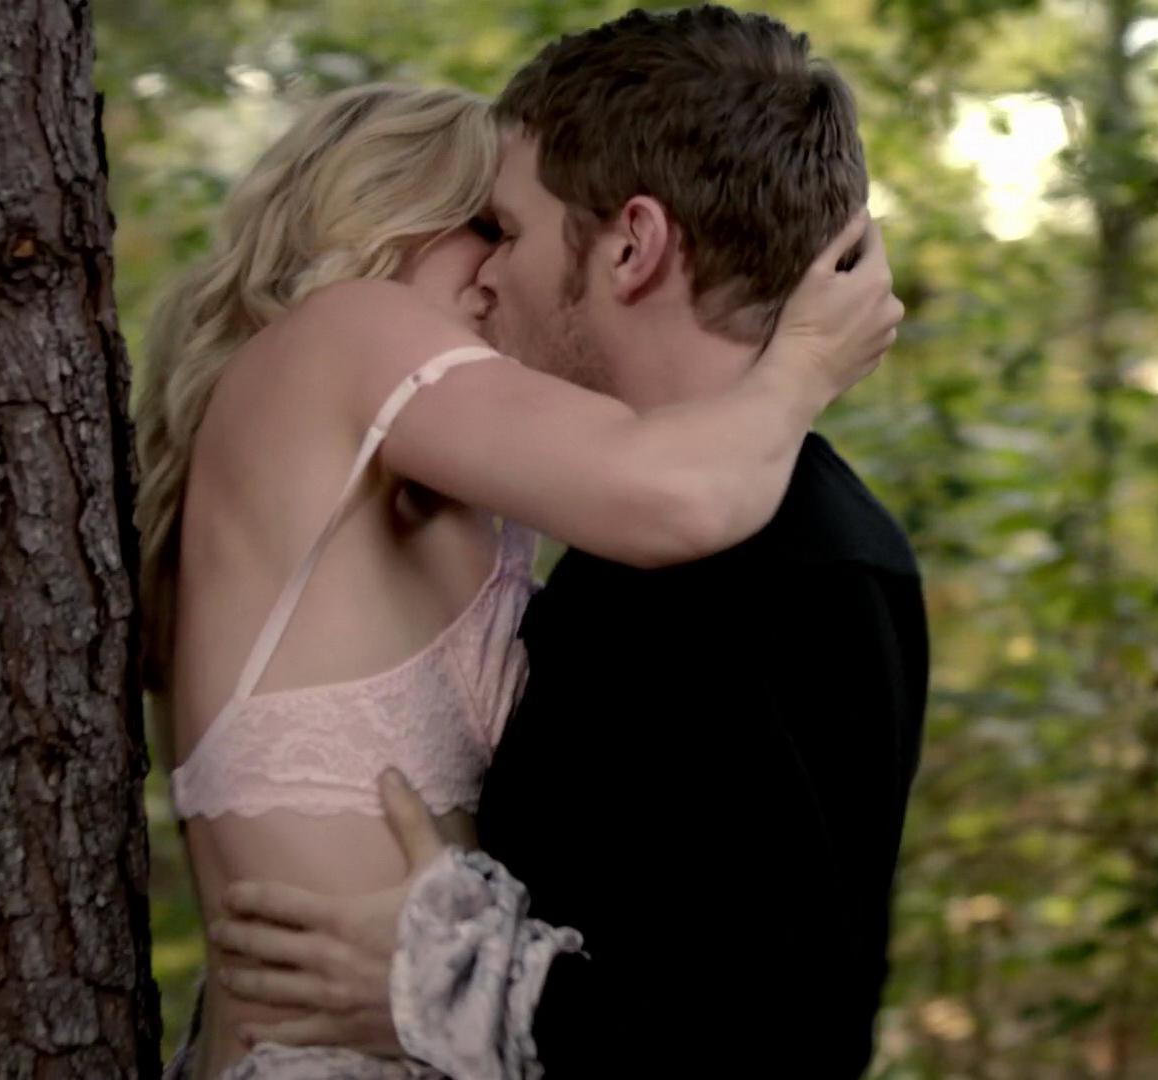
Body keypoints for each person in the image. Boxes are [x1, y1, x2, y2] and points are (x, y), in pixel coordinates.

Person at [210, 7, 930, 1078]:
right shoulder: (608, 537)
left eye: (508, 229)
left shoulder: (808, 562)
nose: (489, 274)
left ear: (632, 246)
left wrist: (441, 993)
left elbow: (789, 1039)